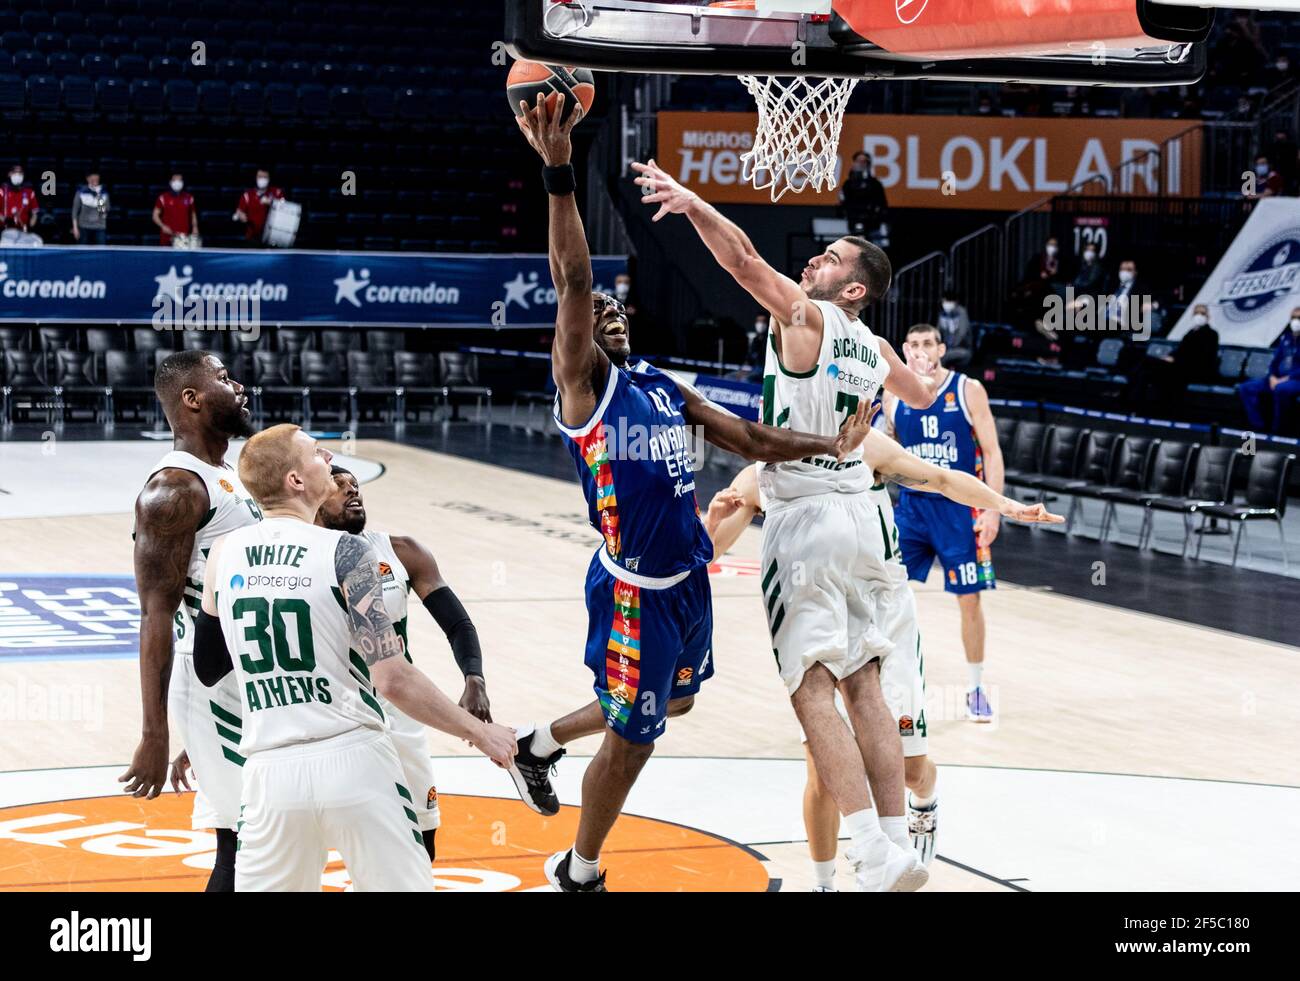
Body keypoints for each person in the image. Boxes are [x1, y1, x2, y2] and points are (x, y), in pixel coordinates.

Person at [506, 94, 878, 892]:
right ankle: (580, 867)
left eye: (613, 305)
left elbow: (750, 438)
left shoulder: (660, 384)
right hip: (635, 590)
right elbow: (573, 275)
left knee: (670, 709)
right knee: (634, 737)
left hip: (689, 583)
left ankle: (534, 741)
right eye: (589, 312)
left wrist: (830, 443)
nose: (602, 308)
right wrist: (560, 173)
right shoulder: (585, 389)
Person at [630, 155, 961, 892]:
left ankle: (871, 853)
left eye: (832, 256)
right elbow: (918, 389)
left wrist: (690, 203)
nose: (816, 256)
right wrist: (915, 387)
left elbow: (743, 260)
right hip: (868, 519)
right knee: (867, 681)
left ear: (853, 289)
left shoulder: (807, 316)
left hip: (807, 515)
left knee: (812, 683)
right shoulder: (874, 349)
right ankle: (894, 843)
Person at [704, 441, 1059, 889]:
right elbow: (709, 550)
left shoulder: (860, 449)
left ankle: (924, 801)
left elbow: (944, 478)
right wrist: (710, 527)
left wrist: (1006, 506)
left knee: (910, 771)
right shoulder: (764, 476)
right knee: (821, 767)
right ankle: (823, 883)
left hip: (887, 615)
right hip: (820, 615)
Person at [194, 425, 516, 891]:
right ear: (296, 482)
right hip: (353, 758)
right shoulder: (347, 551)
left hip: (268, 771)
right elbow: (393, 680)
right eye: (315, 452)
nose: (327, 455)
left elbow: (208, 667)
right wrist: (481, 733)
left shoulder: (223, 554)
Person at [119, 350, 260, 892]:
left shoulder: (230, 474)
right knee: (242, 845)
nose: (239, 385)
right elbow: (156, 615)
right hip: (211, 683)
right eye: (224, 378)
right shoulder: (174, 489)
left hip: (245, 680)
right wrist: (157, 732)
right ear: (192, 399)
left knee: (268, 835)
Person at [315, 464, 492, 860]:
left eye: (355, 485)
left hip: (399, 708)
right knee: (325, 843)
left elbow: (458, 623)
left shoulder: (401, 551)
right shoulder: (301, 557)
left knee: (421, 837)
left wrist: (474, 678)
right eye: (337, 485)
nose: (351, 490)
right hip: (332, 713)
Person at [883, 324, 1007, 722]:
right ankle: (887, 685)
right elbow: (885, 451)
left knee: (970, 599)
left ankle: (974, 688)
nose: (921, 350)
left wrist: (992, 509)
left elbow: (991, 452)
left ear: (941, 349)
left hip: (960, 509)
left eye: (927, 344)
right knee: (886, 592)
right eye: (913, 345)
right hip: (913, 508)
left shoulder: (968, 390)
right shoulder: (892, 394)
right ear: (904, 350)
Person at [1134, 304, 1219, 407]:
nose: (1199, 316)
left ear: (1208, 316)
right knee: (1146, 364)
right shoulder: (1190, 332)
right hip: (1181, 366)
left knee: (1151, 365)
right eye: (1196, 313)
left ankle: (1138, 402)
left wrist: (1175, 360)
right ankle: (1138, 400)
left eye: (1202, 313)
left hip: (1194, 369)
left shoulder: (1211, 334)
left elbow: (1201, 356)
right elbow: (1181, 350)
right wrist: (1169, 357)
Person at [1238, 308, 1300, 434]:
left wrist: (1285, 379)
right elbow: (1274, 362)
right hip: (1276, 379)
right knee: (1246, 387)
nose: (1296, 321)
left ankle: (1277, 431)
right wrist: (1272, 376)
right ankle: (1258, 426)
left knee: (1281, 389)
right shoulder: (1285, 339)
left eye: (1298, 318)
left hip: (1295, 380)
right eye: (1293, 318)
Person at [839, 151, 888, 243]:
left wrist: (876, 216)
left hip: (873, 226)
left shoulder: (875, 184)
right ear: (854, 163)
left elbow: (882, 204)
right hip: (853, 225)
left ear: (868, 164)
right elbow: (843, 204)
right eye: (859, 161)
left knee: (875, 252)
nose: (861, 164)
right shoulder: (848, 184)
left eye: (864, 161)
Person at [233, 168, 285, 246]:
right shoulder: (247, 195)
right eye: (260, 177)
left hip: (273, 238)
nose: (262, 179)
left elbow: (286, 208)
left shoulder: (277, 192)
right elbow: (239, 211)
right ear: (256, 178)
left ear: (269, 179)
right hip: (252, 238)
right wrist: (240, 215)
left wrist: (271, 202)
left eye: (265, 177)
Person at [154, 172, 198, 246]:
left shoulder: (189, 198)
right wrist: (162, 226)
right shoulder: (163, 198)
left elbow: (193, 214)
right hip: (167, 236)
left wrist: (195, 227)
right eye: (175, 180)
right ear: (170, 182)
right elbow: (155, 216)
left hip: (183, 237)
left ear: (183, 182)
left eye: (179, 180)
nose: (177, 183)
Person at [70, 171, 110, 245]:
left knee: (101, 252)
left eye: (96, 179)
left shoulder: (103, 193)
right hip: (83, 227)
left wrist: (98, 194)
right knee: (82, 252)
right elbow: (75, 212)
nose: (95, 181)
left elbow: (103, 211)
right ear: (88, 179)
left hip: (99, 228)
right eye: (92, 179)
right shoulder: (81, 192)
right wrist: (75, 228)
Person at [937, 291, 972, 369]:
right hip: (947, 348)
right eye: (944, 301)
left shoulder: (961, 313)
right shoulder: (943, 314)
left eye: (947, 301)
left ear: (955, 302)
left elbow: (961, 334)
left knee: (943, 356)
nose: (945, 304)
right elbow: (937, 332)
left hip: (962, 349)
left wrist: (949, 348)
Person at [1, 164, 39, 232]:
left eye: (20, 173)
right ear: (9, 174)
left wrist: (30, 226)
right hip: (5, 230)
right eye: (15, 172)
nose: (17, 175)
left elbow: (34, 213)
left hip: (23, 231)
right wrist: (4, 220)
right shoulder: (2, 191)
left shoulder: (30, 192)